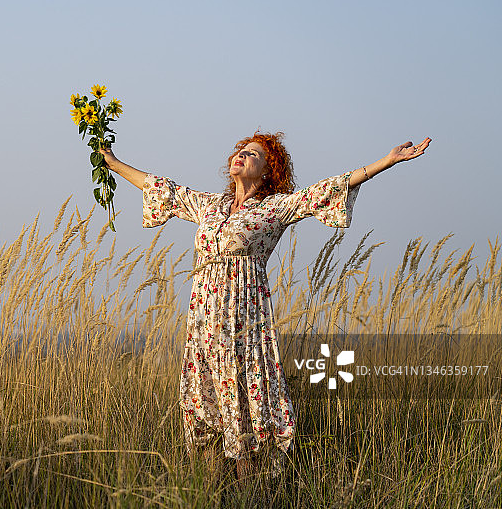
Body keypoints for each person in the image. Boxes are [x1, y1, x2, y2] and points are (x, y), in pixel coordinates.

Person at [99, 132, 430, 481]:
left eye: (253, 154)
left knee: (245, 388)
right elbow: (163, 187)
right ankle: (211, 485)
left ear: (268, 172)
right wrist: (114, 163)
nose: (242, 156)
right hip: (204, 317)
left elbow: (324, 191)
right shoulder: (210, 205)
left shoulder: (274, 209)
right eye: (241, 151)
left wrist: (387, 161)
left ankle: (254, 487)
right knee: (207, 388)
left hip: (245, 315)